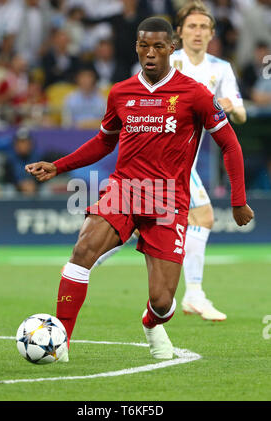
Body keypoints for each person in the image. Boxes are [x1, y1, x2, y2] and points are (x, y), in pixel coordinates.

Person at [26, 17, 254, 362]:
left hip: (168, 199)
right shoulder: (121, 92)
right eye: (144, 46)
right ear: (136, 47)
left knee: (163, 301)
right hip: (124, 188)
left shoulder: (194, 94)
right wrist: (59, 166)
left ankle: (151, 323)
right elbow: (103, 143)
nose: (150, 53)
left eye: (158, 46)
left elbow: (230, 145)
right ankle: (61, 343)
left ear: (170, 49)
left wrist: (238, 201)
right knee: (82, 251)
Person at [100, 0, 247, 322]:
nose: (198, 32)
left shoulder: (220, 68)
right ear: (178, 33)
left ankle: (93, 259)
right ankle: (192, 295)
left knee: (187, 220)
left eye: (204, 27)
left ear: (211, 33)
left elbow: (242, 113)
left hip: (189, 160)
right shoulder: (170, 60)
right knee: (203, 217)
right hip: (165, 161)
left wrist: (224, 105)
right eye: (191, 26)